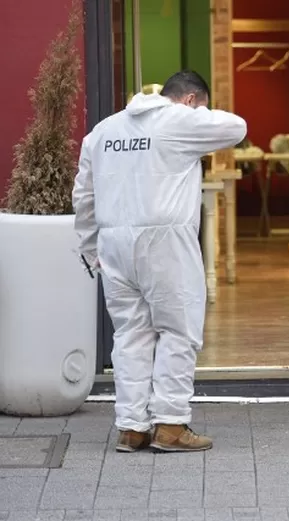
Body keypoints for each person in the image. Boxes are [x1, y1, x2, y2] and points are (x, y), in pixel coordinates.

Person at [72, 70, 247, 453]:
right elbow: (236, 127)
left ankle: (132, 427)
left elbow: (83, 196)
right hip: (164, 239)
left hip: (113, 243)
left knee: (130, 335)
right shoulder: (179, 119)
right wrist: (188, 115)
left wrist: (90, 249)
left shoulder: (102, 132)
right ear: (189, 99)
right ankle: (170, 425)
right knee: (178, 330)